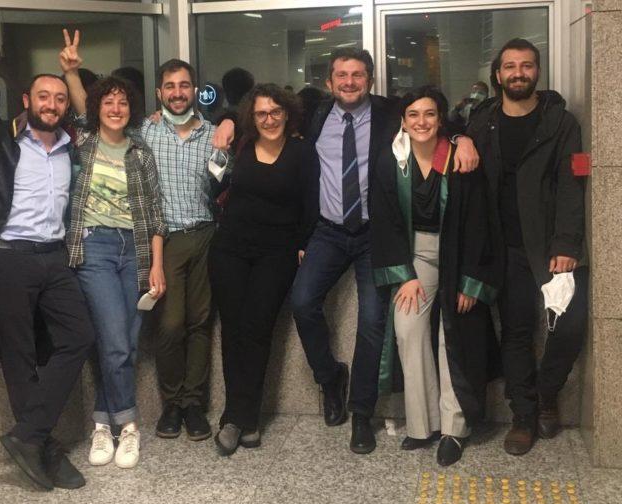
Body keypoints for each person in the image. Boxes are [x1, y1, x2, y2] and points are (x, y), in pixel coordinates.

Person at [213, 48, 480, 454]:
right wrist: (229, 118)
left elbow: (439, 119)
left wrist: (463, 138)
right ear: (330, 81)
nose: (349, 82)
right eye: (342, 75)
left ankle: (361, 412)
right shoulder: (315, 113)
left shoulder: (391, 113)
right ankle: (330, 376)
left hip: (376, 234)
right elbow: (264, 111)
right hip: (328, 232)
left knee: (372, 320)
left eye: (357, 75)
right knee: (303, 302)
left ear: (370, 80)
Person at [467, 38, 587, 456]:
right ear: (498, 74)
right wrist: (461, 139)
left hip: (553, 246)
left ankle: (546, 393)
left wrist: (567, 242)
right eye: (511, 66)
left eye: (527, 65)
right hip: (506, 248)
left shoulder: (561, 123)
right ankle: (523, 415)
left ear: (537, 71)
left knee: (570, 326)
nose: (519, 73)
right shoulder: (483, 122)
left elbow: (572, 184)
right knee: (516, 330)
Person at [371, 86, 498, 466]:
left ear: (441, 119)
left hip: (458, 255)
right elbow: (385, 220)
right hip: (416, 256)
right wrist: (405, 275)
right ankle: (421, 423)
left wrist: (470, 281)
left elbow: (480, 222)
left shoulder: (460, 158)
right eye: (413, 114)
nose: (421, 122)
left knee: (452, 335)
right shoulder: (393, 160)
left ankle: (454, 429)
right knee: (407, 328)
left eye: (429, 114)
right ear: (403, 120)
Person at [60, 30, 167, 469]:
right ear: (98, 107)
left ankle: (103, 424)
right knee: (116, 343)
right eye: (108, 102)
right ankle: (130, 426)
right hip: (96, 248)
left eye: (123, 102)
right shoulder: (84, 143)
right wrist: (71, 73)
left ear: (131, 109)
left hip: (136, 250)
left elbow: (155, 213)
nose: (116, 108)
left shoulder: (141, 153)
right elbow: (79, 106)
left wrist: (157, 265)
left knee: (125, 344)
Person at [0, 73, 94, 490]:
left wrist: (74, 74)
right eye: (43, 96)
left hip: (54, 255)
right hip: (11, 255)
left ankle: (28, 434)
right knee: (20, 356)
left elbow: (100, 117)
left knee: (80, 336)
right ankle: (44, 447)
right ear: (27, 99)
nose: (51, 104)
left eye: (60, 98)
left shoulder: (72, 147)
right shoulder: (4, 142)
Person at [209, 83, 317, 455]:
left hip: (277, 252)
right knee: (233, 330)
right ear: (251, 118)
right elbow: (218, 184)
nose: (268, 119)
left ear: (287, 113)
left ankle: (242, 417)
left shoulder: (302, 151)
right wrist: (226, 119)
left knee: (257, 329)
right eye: (261, 113)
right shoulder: (241, 145)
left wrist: (304, 243)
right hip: (230, 249)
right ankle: (238, 417)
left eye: (275, 112)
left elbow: (311, 202)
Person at [134, 59, 218, 442]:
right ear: (159, 93)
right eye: (170, 86)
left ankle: (193, 404)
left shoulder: (214, 135)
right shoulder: (145, 132)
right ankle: (171, 402)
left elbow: (225, 180)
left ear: (194, 90)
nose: (177, 93)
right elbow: (96, 121)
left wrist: (228, 125)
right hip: (165, 239)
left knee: (200, 322)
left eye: (184, 85)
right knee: (169, 325)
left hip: (205, 235)